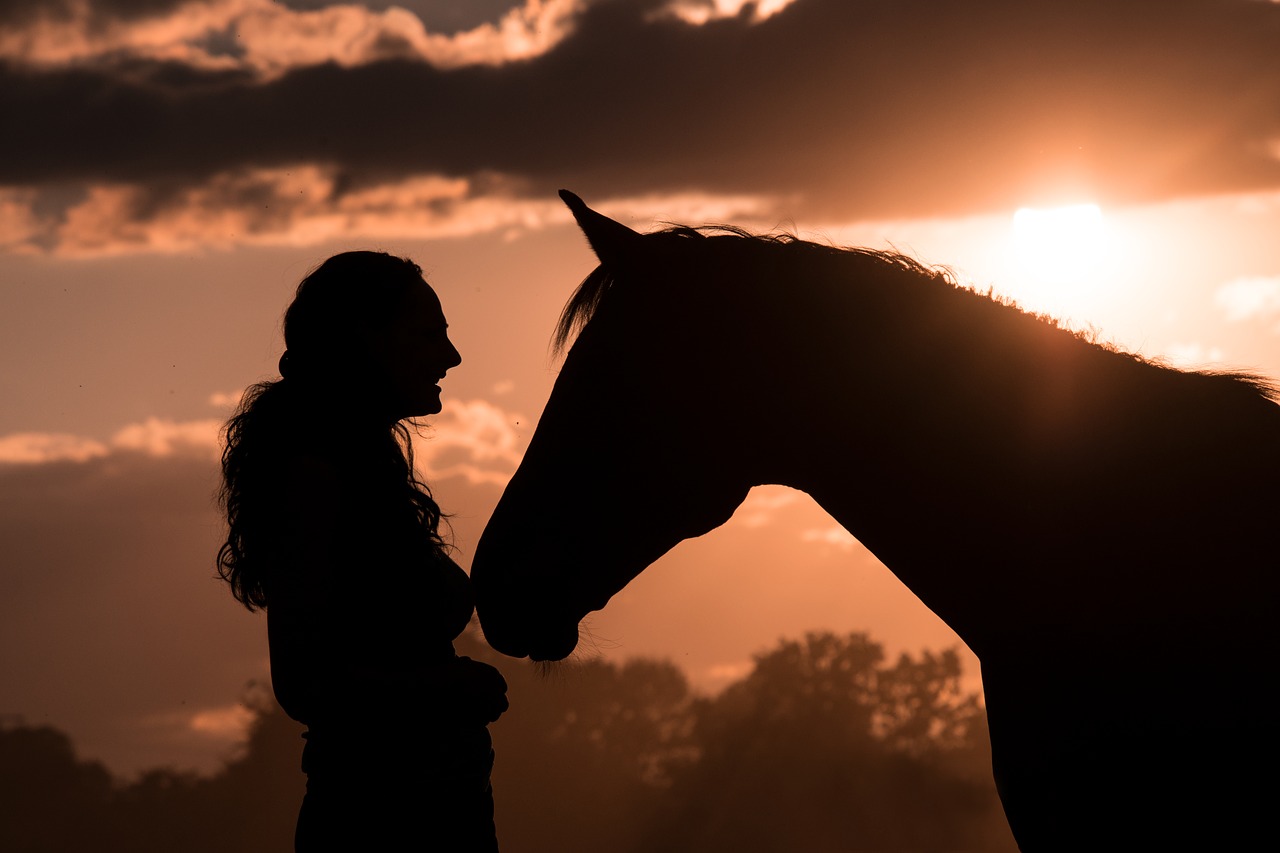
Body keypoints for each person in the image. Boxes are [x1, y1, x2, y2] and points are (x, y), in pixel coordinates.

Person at [216, 251, 508, 851]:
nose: (450, 357)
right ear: (364, 340)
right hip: (378, 822)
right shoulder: (312, 477)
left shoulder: (357, 469)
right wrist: (449, 688)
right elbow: (305, 685)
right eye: (429, 336)